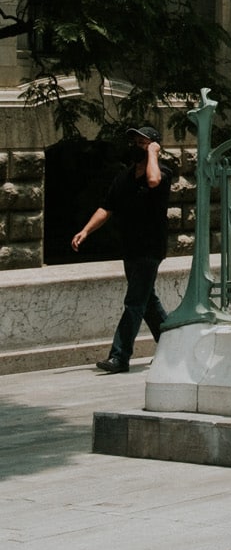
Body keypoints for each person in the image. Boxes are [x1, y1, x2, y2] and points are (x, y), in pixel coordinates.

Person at [71, 126, 172, 374]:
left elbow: (153, 180)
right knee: (147, 301)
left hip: (151, 248)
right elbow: (106, 207)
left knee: (135, 301)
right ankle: (175, 345)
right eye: (134, 142)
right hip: (130, 247)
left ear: (154, 146)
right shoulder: (124, 178)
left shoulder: (163, 173)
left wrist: (153, 154)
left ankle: (120, 356)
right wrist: (86, 230)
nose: (135, 146)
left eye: (142, 142)